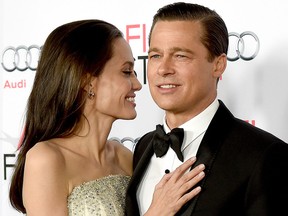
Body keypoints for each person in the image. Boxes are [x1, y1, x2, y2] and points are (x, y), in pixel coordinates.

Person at [9, 19, 206, 216]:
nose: (137, 84)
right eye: (126, 72)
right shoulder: (46, 159)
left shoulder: (125, 157)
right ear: (87, 82)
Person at [125, 2, 288, 216]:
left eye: (180, 55)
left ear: (218, 65)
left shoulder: (263, 156)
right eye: (156, 55)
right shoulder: (143, 146)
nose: (163, 69)